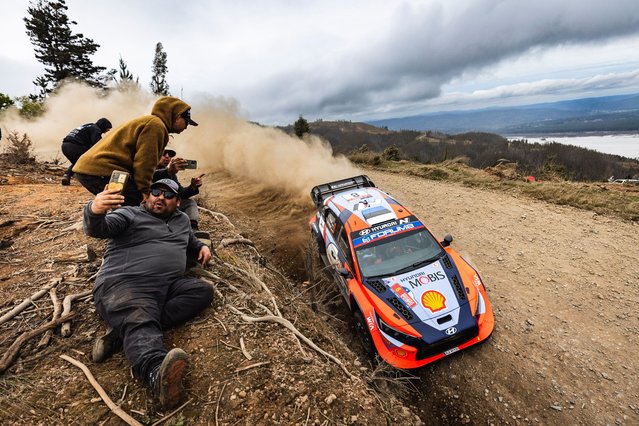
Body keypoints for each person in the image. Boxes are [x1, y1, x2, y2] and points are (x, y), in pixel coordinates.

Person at [83, 178, 213, 409]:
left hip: (167, 285)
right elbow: (98, 228)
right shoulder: (129, 215)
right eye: (155, 192)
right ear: (147, 197)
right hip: (124, 284)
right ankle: (155, 373)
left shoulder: (182, 220)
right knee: (139, 314)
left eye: (168, 194)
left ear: (178, 202)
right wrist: (95, 210)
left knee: (201, 291)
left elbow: (190, 240)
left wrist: (200, 247)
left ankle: (121, 333)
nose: (160, 197)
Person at [73, 96, 198, 206]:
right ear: (177, 117)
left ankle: (115, 226)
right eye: (186, 122)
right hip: (101, 171)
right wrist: (144, 190)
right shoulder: (156, 126)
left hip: (96, 170)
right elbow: (145, 161)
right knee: (141, 205)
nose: (186, 126)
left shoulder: (150, 122)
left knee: (121, 204)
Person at [153, 147, 205, 231]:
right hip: (152, 206)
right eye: (163, 153)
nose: (167, 157)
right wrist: (169, 171)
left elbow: (180, 193)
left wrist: (192, 186)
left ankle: (193, 230)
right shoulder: (147, 169)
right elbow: (154, 175)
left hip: (168, 205)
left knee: (190, 203)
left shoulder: (171, 173)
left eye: (170, 155)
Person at [61, 118, 112, 186]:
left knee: (78, 162)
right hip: (74, 146)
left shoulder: (89, 126)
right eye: (107, 128)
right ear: (103, 126)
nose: (107, 131)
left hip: (65, 146)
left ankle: (66, 176)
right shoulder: (96, 130)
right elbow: (98, 145)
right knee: (88, 160)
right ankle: (94, 180)